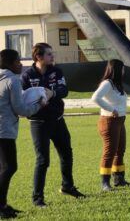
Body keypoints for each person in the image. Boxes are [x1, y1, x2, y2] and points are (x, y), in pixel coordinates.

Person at [22, 43, 85, 207]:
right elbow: (23, 99)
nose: (53, 57)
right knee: (43, 160)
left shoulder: (56, 71)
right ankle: (37, 199)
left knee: (66, 154)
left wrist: (53, 93)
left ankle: (67, 186)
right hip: (38, 123)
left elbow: (64, 90)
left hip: (57, 120)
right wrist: (34, 104)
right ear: (39, 57)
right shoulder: (27, 76)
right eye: (49, 54)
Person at [0, 49, 44, 218]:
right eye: (18, 61)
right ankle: (1, 206)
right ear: (10, 63)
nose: (21, 64)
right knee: (9, 167)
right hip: (4, 130)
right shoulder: (12, 80)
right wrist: (39, 104)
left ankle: (3, 205)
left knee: (3, 168)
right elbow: (21, 109)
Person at [90, 59, 130, 191]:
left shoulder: (117, 84)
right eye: (123, 68)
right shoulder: (107, 83)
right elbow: (95, 97)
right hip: (109, 121)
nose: (124, 71)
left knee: (120, 150)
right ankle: (105, 183)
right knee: (109, 152)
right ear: (117, 70)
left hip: (120, 121)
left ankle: (119, 179)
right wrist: (110, 109)